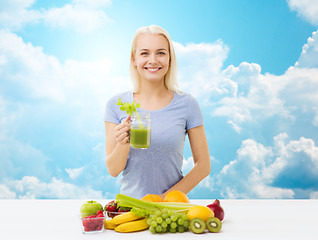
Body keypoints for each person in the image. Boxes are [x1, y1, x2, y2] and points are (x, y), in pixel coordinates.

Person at [104, 25, 210, 199]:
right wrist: (123, 143)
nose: (152, 60)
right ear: (134, 60)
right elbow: (113, 170)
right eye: (144, 53)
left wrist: (164, 199)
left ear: (169, 59)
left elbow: (204, 166)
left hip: (172, 208)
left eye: (160, 53)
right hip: (130, 209)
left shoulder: (187, 104)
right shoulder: (116, 105)